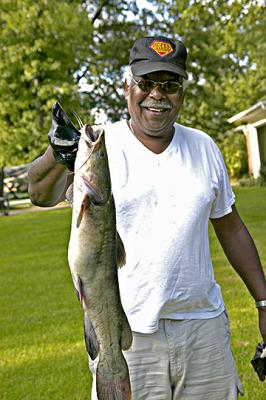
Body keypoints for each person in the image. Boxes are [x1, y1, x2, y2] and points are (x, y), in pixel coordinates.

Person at [28, 35, 266, 399]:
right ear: (128, 87)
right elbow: (39, 193)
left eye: (170, 85)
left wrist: (263, 302)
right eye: (146, 83)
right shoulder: (98, 145)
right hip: (127, 331)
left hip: (203, 328)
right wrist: (57, 154)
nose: (157, 94)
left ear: (182, 92)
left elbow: (231, 228)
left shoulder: (204, 146)